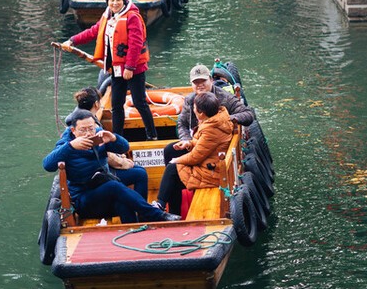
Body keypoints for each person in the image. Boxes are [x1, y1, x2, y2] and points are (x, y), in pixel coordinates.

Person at [43, 110, 178, 223]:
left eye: (91, 128)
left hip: (103, 180)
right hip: (84, 197)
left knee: (138, 175)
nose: (88, 133)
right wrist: (71, 147)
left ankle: (138, 223)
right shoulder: (67, 144)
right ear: (73, 130)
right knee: (114, 188)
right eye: (83, 130)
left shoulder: (98, 134)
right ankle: (155, 214)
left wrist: (113, 138)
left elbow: (124, 147)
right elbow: (47, 165)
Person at [63, 0, 157, 139]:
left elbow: (135, 44)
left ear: (124, 0)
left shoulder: (132, 17)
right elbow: (93, 32)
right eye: (112, 0)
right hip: (116, 68)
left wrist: (130, 67)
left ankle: (152, 135)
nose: (115, 3)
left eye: (118, 0)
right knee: (116, 105)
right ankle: (117, 137)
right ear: (107, 2)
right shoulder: (107, 16)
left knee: (140, 102)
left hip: (134, 68)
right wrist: (72, 40)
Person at [154, 91, 234, 214]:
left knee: (172, 169)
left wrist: (176, 161)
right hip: (208, 160)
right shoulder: (213, 120)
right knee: (170, 150)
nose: (194, 110)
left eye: (195, 108)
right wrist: (189, 143)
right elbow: (204, 144)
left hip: (211, 171)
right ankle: (171, 209)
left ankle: (161, 205)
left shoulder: (211, 129)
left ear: (201, 113)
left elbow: (195, 157)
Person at [164, 65, 255, 163]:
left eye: (203, 81)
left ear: (211, 80)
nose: (200, 85)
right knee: (169, 150)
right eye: (196, 82)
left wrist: (226, 120)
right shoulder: (189, 99)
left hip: (217, 145)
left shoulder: (225, 97)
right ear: (191, 84)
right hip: (196, 142)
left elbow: (248, 114)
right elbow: (182, 123)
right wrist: (186, 140)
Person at [69, 87, 148, 197]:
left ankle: (138, 205)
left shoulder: (78, 120)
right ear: (96, 104)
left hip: (95, 169)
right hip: (97, 174)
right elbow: (102, 153)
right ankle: (141, 209)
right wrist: (123, 163)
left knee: (138, 169)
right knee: (140, 174)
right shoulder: (91, 125)